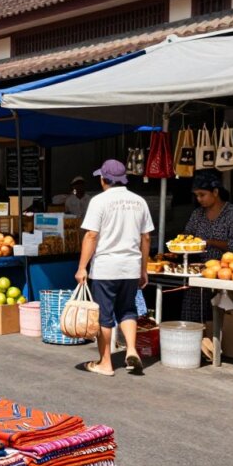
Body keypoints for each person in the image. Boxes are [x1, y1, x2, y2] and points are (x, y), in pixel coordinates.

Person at [76, 159, 152, 376]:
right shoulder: (139, 201)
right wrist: (143, 269)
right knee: (128, 310)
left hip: (106, 268)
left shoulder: (99, 201)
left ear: (104, 179)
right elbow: (146, 237)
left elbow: (91, 235)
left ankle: (105, 362)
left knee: (105, 315)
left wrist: (82, 267)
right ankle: (131, 349)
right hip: (130, 267)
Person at [180, 171, 233, 323]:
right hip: (198, 273)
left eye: (202, 194)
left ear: (215, 192)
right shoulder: (198, 214)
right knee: (194, 321)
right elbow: (187, 234)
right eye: (196, 195)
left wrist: (208, 241)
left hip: (225, 273)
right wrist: (183, 240)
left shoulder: (232, 213)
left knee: (222, 320)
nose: (199, 199)